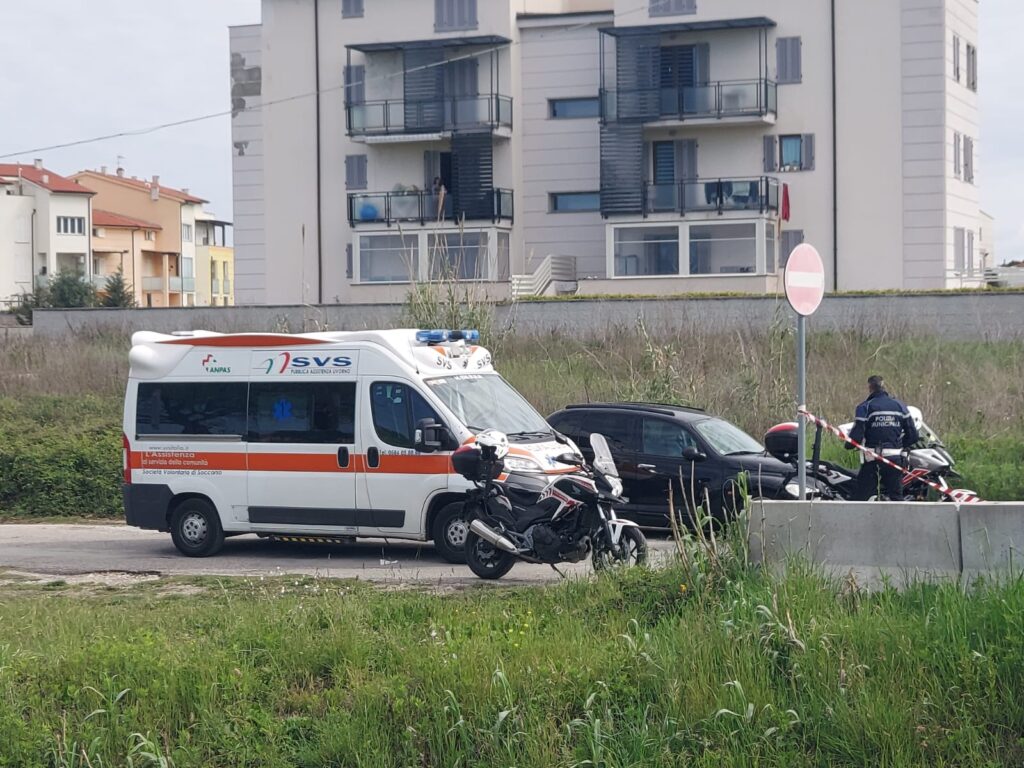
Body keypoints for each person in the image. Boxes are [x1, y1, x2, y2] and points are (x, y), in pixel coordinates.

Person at [847, 375, 919, 500]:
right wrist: (898, 445)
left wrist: (848, 445)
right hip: (894, 460)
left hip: (873, 461)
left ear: (870, 388)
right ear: (884, 386)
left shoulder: (865, 407)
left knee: (860, 499)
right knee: (896, 498)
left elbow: (857, 435)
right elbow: (913, 436)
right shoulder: (900, 406)